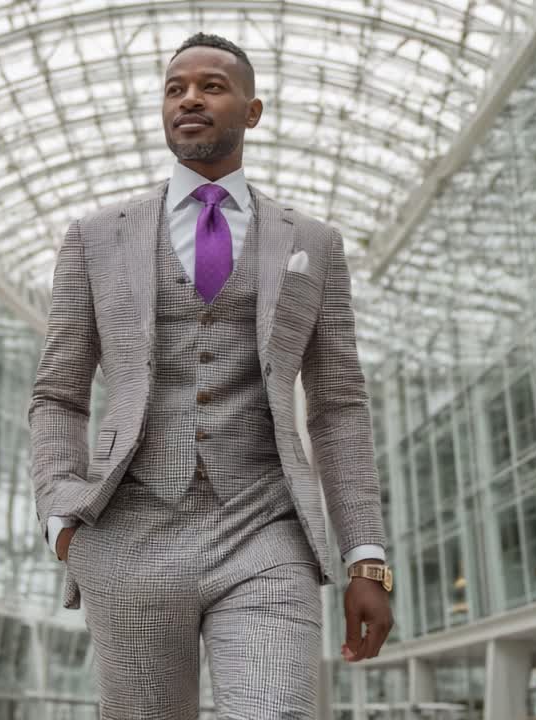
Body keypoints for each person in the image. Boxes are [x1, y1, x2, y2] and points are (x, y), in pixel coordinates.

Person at [28, 32, 393, 718]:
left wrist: (365, 557)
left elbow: (338, 405)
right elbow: (57, 392)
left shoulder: (314, 244)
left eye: (211, 86)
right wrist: (60, 521)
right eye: (175, 88)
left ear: (252, 111)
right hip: (128, 533)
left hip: (267, 530)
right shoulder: (95, 236)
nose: (189, 98)